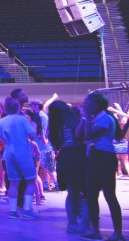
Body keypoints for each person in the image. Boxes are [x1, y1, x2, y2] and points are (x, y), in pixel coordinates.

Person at [82, 91, 124, 241]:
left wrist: (86, 119)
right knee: (92, 195)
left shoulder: (105, 118)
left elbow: (89, 135)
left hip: (104, 158)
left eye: (88, 103)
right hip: (95, 157)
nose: (85, 105)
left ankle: (118, 233)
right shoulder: (97, 118)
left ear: (97, 104)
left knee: (109, 196)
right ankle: (95, 231)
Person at [0, 96, 40, 219]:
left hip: (9, 154)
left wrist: (7, 138)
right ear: (18, 107)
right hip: (23, 153)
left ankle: (12, 211)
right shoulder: (22, 119)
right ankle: (27, 210)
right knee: (31, 180)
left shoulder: (2, 121)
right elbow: (32, 134)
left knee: (13, 183)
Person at [50, 99, 88, 233]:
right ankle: (84, 224)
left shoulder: (54, 125)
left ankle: (72, 224)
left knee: (72, 193)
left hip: (64, 158)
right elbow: (83, 139)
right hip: (79, 156)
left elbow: (56, 144)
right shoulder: (75, 120)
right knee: (87, 194)